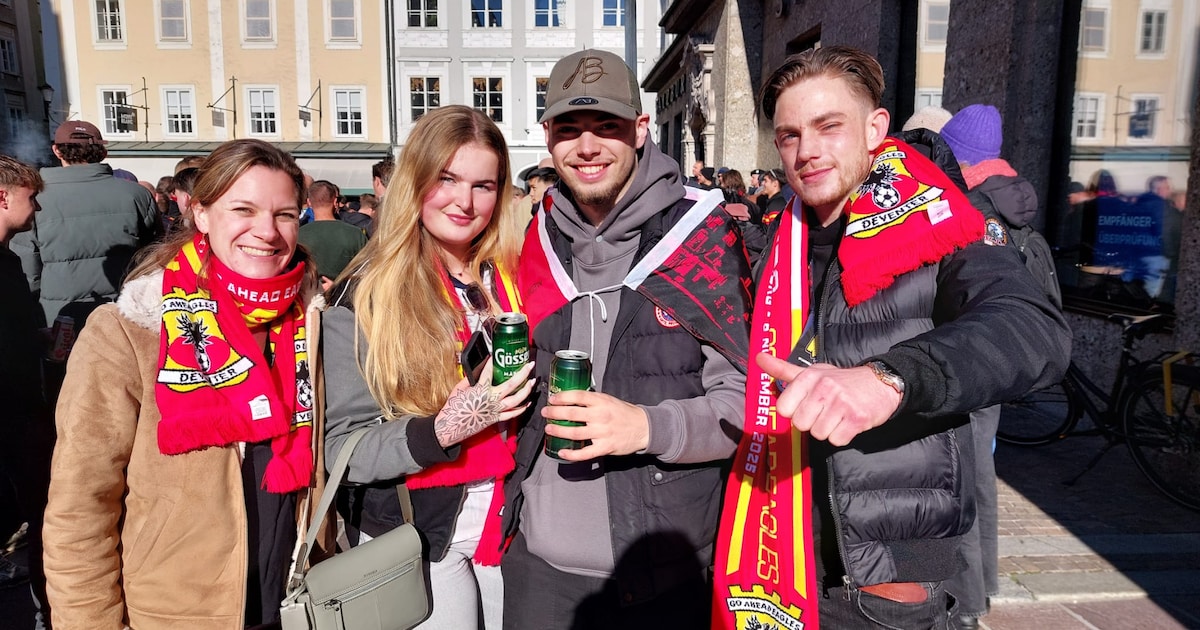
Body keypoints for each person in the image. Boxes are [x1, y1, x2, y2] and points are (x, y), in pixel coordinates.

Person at [719, 46, 1069, 629]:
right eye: (789, 135)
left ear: (876, 128)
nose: (808, 151)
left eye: (829, 127)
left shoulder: (941, 224)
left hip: (900, 560)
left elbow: (1033, 329)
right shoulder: (770, 241)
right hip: (777, 547)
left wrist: (894, 378)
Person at [501, 48, 751, 629]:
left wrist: (647, 427)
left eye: (607, 125)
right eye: (569, 128)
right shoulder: (533, 238)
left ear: (641, 129)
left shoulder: (704, 236)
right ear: (547, 138)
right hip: (536, 570)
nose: (587, 147)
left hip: (661, 574)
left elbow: (747, 406)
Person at [42, 138, 324, 629]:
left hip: (298, 602)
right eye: (244, 209)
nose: (267, 231)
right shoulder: (128, 332)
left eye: (284, 214)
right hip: (177, 612)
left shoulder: (315, 324)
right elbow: (80, 508)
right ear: (202, 213)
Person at [321, 105, 536, 630]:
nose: (464, 201)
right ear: (414, 180)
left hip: (511, 520)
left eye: (483, 185)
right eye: (447, 179)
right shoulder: (367, 293)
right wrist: (441, 429)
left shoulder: (511, 270)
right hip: (419, 533)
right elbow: (340, 451)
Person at [10, 120, 160, 328]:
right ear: (102, 152)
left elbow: (27, 271)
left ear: (57, 151)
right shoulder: (137, 195)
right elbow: (154, 259)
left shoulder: (33, 199)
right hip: (124, 315)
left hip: (60, 320)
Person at [0, 155, 54, 627]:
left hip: (22, 407)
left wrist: (41, 340)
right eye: (30, 198)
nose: (35, 208)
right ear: (4, 197)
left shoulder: (10, 259)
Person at [298, 180, 368, 291]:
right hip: (345, 299)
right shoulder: (356, 234)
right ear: (335, 201)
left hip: (307, 299)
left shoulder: (298, 236)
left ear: (309, 202)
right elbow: (367, 272)